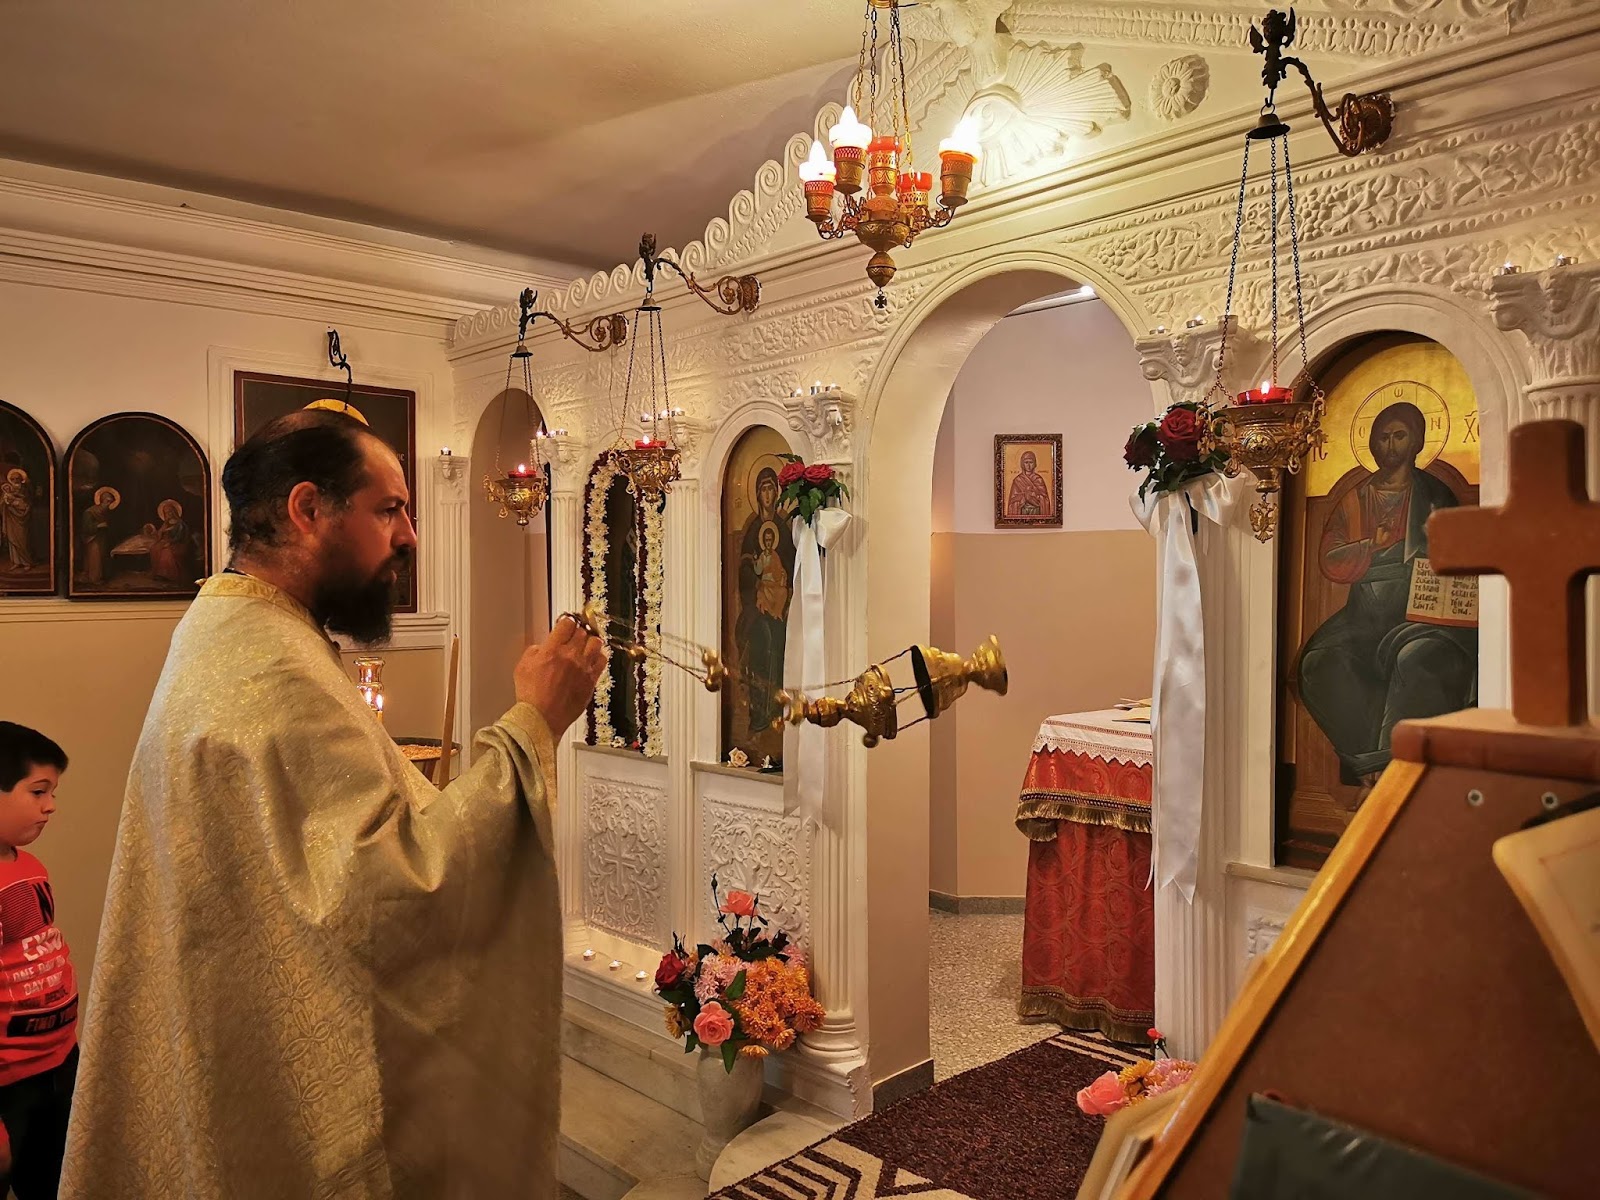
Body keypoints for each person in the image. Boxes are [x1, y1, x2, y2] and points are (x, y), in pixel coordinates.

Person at [61, 410, 607, 1198]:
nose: (411, 536)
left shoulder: (234, 627)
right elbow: (392, 889)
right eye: (390, 510)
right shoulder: (272, 669)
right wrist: (533, 725)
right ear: (308, 508)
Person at [1297, 401, 1477, 800]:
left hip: (1423, 610)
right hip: (1365, 612)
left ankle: (1397, 777)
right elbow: (1329, 558)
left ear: (1417, 441)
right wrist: (1369, 547)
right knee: (1317, 664)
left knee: (1415, 659)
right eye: (1383, 437)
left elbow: (1460, 554)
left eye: (1400, 436)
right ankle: (1371, 768)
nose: (1391, 445)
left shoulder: (1436, 494)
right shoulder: (1355, 497)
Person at [0, 722, 77, 1200]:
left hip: (57, 1061)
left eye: (52, 793)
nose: (51, 806)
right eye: (38, 791)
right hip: (9, 1085)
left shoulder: (28, 866)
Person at [2, 470, 32, 571]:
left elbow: (28, 503)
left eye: (17, 478)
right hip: (11, 519)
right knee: (12, 540)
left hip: (22, 519)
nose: (15, 480)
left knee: (22, 540)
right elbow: (3, 504)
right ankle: (17, 562)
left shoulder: (25, 490)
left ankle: (27, 562)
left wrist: (22, 506)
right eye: (13, 479)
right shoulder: (8, 491)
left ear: (21, 479)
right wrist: (6, 504)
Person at [1006, 451, 1049, 518]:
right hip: (1022, 510)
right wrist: (1023, 496)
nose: (1028, 465)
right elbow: (1012, 501)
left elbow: (1045, 499)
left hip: (1036, 510)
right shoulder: (1017, 480)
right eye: (1026, 462)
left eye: (1031, 462)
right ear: (1022, 464)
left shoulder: (1038, 479)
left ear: (1034, 464)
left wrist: (1036, 495)